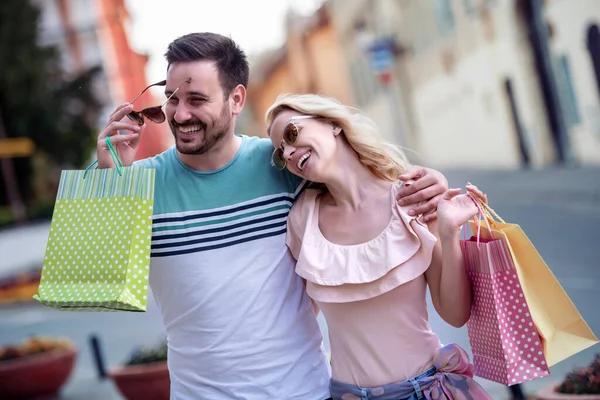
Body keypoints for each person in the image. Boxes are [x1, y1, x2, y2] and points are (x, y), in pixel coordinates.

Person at [96, 32, 450, 400]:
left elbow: (361, 183)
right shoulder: (136, 182)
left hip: (305, 392)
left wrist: (428, 182)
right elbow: (101, 287)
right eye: (172, 99)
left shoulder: (284, 164)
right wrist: (109, 187)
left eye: (196, 99)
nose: (181, 114)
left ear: (236, 99)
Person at [265, 93, 492, 400]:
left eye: (291, 134)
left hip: (426, 391)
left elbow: (454, 313)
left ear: (332, 124)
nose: (289, 153)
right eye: (281, 153)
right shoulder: (301, 221)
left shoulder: (410, 199)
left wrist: (449, 231)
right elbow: (295, 318)